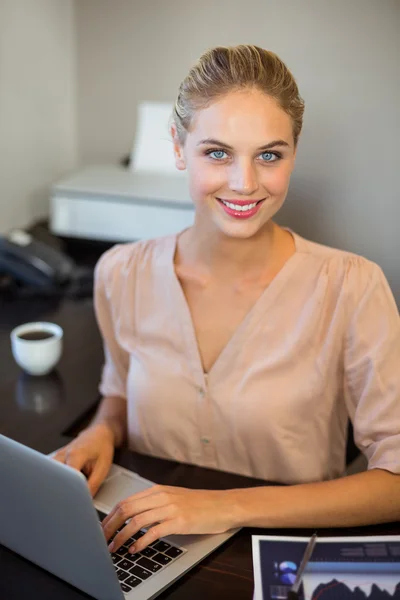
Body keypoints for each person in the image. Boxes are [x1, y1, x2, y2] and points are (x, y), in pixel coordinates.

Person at [53, 45, 400, 556]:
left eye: (269, 155)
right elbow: (120, 392)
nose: (245, 183)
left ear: (293, 154)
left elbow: (394, 482)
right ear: (178, 147)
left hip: (281, 559)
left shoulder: (352, 286)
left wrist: (225, 506)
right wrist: (101, 431)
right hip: (144, 544)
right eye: (217, 152)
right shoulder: (120, 274)